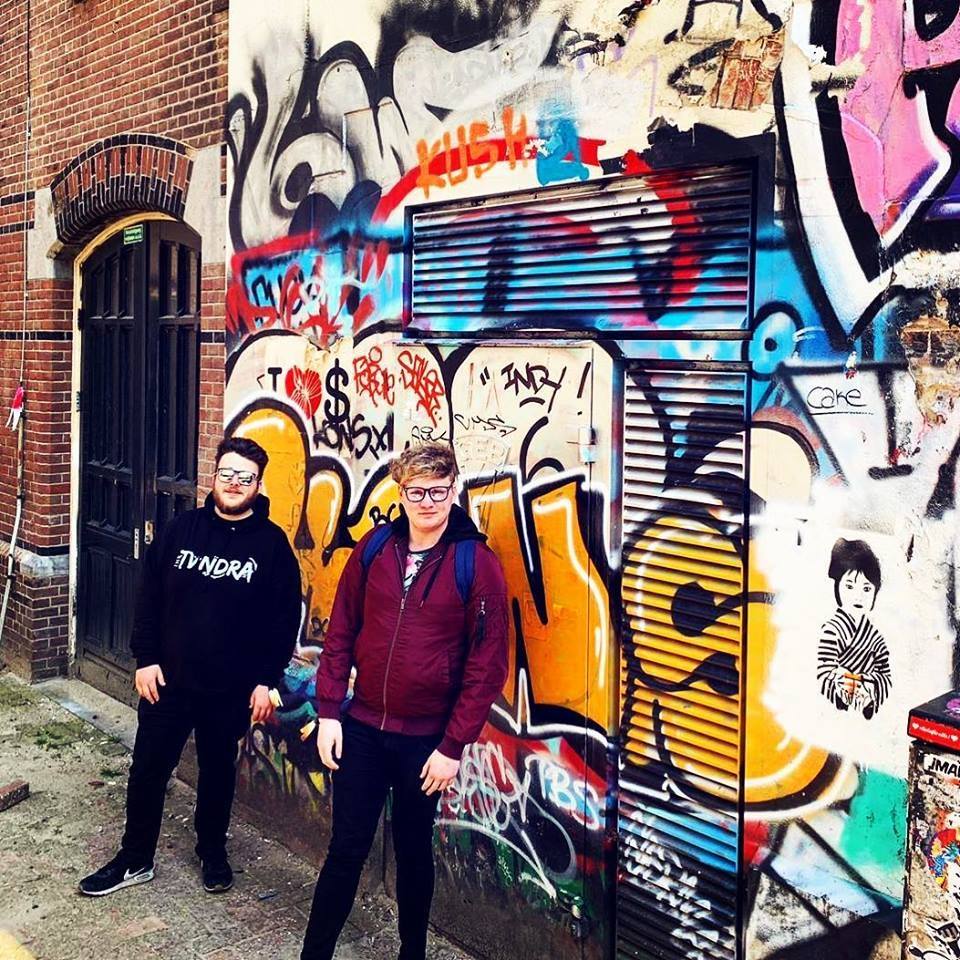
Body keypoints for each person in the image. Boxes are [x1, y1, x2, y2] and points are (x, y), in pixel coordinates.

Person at [300, 442, 508, 960]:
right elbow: (342, 630)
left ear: (454, 489)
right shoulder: (375, 549)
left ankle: (411, 953)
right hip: (365, 728)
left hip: (426, 743)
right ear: (401, 492)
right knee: (346, 849)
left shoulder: (476, 564)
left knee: (415, 852)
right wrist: (329, 712)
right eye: (417, 492)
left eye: (439, 491)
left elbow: (487, 664)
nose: (428, 502)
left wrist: (454, 745)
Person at [79, 436, 302, 897]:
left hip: (230, 688)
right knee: (147, 770)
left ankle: (212, 851)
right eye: (227, 474)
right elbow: (149, 599)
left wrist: (267, 681)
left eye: (245, 477)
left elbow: (283, 621)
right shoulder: (182, 529)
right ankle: (135, 857)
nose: (234, 483)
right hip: (169, 682)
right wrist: (146, 659)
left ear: (258, 485)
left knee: (218, 772)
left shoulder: (272, 545)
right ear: (214, 476)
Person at [816, 537, 891, 719]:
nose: (858, 596)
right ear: (837, 588)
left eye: (866, 589)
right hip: (837, 702)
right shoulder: (832, 630)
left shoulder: (876, 638)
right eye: (849, 586)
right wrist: (842, 680)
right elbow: (824, 669)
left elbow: (885, 674)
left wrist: (867, 683)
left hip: (866, 691)